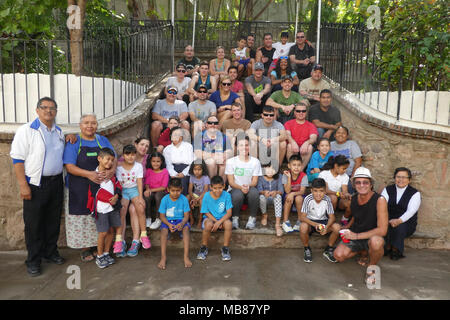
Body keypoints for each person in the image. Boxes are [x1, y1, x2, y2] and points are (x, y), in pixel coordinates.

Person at [10, 97, 66, 276]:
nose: (49, 111)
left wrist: (71, 137)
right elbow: (17, 159)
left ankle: (50, 252)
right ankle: (33, 260)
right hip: (35, 184)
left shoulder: (58, 132)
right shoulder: (27, 131)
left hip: (56, 182)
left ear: (56, 112)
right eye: (44, 107)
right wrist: (23, 185)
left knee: (53, 221)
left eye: (52, 108)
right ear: (37, 110)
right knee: (34, 224)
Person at [63, 114, 116, 263]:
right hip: (78, 187)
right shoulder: (74, 142)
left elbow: (114, 158)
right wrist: (89, 175)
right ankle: (85, 248)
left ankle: (97, 246)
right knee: (82, 216)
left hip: (100, 188)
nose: (90, 126)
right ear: (80, 125)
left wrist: (111, 172)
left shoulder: (102, 140)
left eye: (93, 123)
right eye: (86, 123)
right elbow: (70, 166)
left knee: (99, 215)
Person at [333, 167, 388, 276]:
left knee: (376, 242)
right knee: (338, 256)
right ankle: (363, 252)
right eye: (358, 182)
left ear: (371, 184)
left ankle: (372, 266)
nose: (362, 185)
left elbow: (382, 230)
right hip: (356, 233)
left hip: (372, 235)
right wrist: (347, 226)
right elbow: (356, 215)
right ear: (354, 185)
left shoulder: (379, 200)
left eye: (365, 182)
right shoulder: (353, 199)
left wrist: (356, 236)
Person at [86, 147, 123, 269]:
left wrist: (117, 195)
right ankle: (100, 256)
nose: (110, 163)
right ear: (99, 159)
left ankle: (107, 253)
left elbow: (118, 185)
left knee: (111, 231)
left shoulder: (111, 174)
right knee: (103, 233)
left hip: (112, 208)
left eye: (112, 160)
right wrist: (110, 198)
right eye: (107, 159)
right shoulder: (94, 176)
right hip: (101, 209)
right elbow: (96, 192)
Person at [116, 145, 149, 257]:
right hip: (124, 191)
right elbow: (120, 185)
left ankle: (142, 236)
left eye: (133, 154)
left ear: (135, 155)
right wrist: (120, 197)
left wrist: (140, 197)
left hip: (134, 190)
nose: (130, 157)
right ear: (123, 155)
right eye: (127, 154)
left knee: (139, 207)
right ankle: (120, 240)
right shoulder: (119, 168)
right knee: (122, 209)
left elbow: (140, 182)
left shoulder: (138, 166)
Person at [381, 167, 421, 260]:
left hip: (406, 221)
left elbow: (411, 211)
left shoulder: (415, 193)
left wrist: (399, 220)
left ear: (409, 180)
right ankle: (386, 247)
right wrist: (386, 219)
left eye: (404, 177)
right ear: (394, 178)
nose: (401, 179)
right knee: (385, 224)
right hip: (388, 218)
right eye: (398, 177)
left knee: (400, 227)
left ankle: (396, 249)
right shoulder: (387, 190)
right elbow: (381, 205)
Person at [300, 178, 341, 263]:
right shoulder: (308, 199)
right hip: (311, 222)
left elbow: (332, 217)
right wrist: (315, 224)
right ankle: (307, 248)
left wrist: (326, 228)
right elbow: (302, 217)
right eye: (315, 191)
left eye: (321, 191)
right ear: (311, 191)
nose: (318, 194)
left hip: (323, 221)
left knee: (337, 227)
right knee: (303, 226)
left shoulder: (327, 199)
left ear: (325, 191)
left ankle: (328, 249)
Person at [225, 136, 262, 230]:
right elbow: (231, 182)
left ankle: (252, 218)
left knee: (254, 192)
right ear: (237, 147)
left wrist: (247, 186)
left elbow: (254, 182)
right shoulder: (231, 162)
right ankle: (235, 218)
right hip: (235, 189)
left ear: (249, 146)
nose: (244, 148)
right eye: (241, 145)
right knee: (237, 194)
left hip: (250, 188)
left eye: (246, 145)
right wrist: (241, 187)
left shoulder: (255, 162)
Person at [158, 178, 192, 270]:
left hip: (181, 220)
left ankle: (186, 256)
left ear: (181, 189)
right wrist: (168, 225)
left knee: (186, 230)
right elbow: (162, 216)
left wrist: (182, 223)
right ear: (168, 189)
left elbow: (186, 216)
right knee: (164, 232)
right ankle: (163, 257)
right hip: (168, 221)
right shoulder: (165, 199)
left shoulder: (184, 199)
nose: (175, 193)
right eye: (173, 190)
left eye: (178, 191)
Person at [197, 175, 233, 261]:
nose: (217, 190)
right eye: (215, 188)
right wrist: (216, 221)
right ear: (211, 187)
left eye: (220, 188)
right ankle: (204, 247)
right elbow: (206, 211)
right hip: (210, 218)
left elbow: (229, 213)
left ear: (224, 186)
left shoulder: (227, 195)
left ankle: (225, 248)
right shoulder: (206, 195)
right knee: (208, 224)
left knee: (228, 224)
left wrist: (219, 222)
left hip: (223, 219)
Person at [193, 115, 232, 184]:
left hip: (220, 158)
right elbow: (198, 153)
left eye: (215, 123)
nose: (213, 125)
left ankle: (221, 187)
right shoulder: (199, 136)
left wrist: (223, 156)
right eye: (210, 123)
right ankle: (212, 186)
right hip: (206, 159)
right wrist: (214, 156)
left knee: (226, 163)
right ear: (206, 124)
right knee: (211, 162)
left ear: (218, 125)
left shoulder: (223, 136)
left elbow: (229, 151)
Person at [331, 126, 363, 201]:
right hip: (336, 174)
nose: (340, 135)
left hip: (349, 174)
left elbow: (358, 161)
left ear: (347, 135)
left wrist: (353, 177)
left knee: (349, 187)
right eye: (338, 133)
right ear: (334, 135)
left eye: (343, 133)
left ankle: (347, 206)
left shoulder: (352, 144)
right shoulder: (330, 145)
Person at [284, 102, 318, 172]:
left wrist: (306, 143)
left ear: (306, 113)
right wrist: (293, 142)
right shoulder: (288, 123)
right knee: (290, 145)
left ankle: (300, 171)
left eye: (303, 111)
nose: (301, 113)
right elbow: (287, 135)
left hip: (304, 150)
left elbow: (313, 138)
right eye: (298, 111)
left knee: (310, 147)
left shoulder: (311, 125)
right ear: (294, 113)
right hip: (291, 150)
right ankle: (293, 169)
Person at [281, 154, 309, 233]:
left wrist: (293, 194)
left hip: (298, 196)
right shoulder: (285, 175)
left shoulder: (304, 176)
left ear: (301, 166)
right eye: (294, 165)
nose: (296, 167)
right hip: (288, 197)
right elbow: (287, 191)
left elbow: (302, 191)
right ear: (289, 166)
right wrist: (289, 177)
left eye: (299, 165)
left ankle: (300, 221)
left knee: (299, 197)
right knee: (288, 196)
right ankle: (285, 222)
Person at [163, 127, 194, 195]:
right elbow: (168, 164)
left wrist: (184, 173)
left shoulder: (188, 146)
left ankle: (183, 202)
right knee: (172, 183)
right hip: (173, 169)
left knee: (183, 182)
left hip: (185, 169)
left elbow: (191, 162)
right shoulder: (167, 149)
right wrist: (173, 174)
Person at [143, 152, 169, 230]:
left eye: (158, 161)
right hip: (151, 190)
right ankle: (148, 217)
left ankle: (158, 219)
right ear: (150, 162)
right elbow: (147, 183)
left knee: (158, 196)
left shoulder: (165, 171)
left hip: (161, 191)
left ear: (161, 162)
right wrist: (147, 190)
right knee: (146, 196)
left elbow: (164, 187)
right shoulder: (149, 171)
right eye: (153, 161)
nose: (155, 163)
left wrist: (151, 190)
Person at [258, 163, 284, 235]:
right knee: (261, 197)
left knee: (278, 196)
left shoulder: (279, 177)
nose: (270, 171)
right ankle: (264, 215)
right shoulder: (260, 177)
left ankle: (277, 224)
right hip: (265, 198)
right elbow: (259, 190)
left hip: (274, 198)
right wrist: (263, 192)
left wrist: (276, 192)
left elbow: (281, 191)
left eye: (273, 169)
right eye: (268, 168)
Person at [188, 161, 210, 228]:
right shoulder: (192, 176)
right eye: (195, 169)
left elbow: (206, 191)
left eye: (199, 169)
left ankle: (200, 220)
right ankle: (191, 218)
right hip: (195, 195)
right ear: (192, 169)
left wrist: (197, 199)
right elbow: (190, 190)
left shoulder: (205, 177)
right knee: (186, 199)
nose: (197, 172)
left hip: (205, 195)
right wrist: (193, 198)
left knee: (201, 201)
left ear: (203, 170)